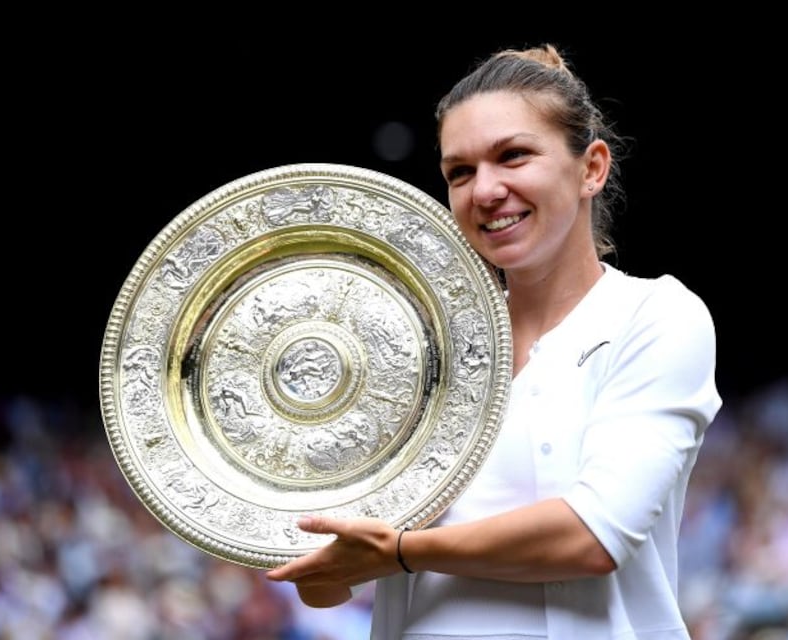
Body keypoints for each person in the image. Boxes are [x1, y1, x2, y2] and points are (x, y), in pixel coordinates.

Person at [266, 42, 723, 639]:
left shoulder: (656, 315)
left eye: (513, 156)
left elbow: (592, 536)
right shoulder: (418, 351)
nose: (485, 191)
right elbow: (327, 586)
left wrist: (404, 549)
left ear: (592, 168)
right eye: (460, 171)